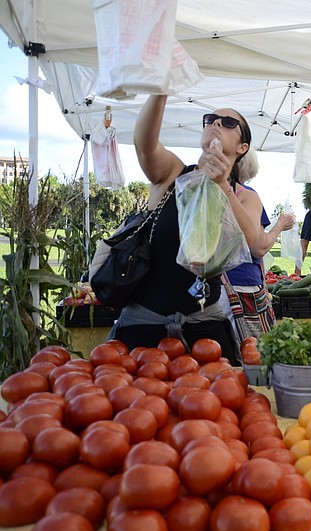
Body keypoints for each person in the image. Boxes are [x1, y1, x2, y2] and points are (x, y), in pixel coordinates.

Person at [112, 94, 265, 363]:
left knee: (215, 399)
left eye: (228, 122)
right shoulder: (174, 173)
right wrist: (161, 91)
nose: (216, 123)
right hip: (145, 321)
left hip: (205, 326)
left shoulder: (244, 196)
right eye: (210, 120)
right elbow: (145, 146)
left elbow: (254, 243)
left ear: (242, 147)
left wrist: (223, 186)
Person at [219, 148, 296, 341]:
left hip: (210, 285)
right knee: (248, 351)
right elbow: (259, 247)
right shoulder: (247, 195)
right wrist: (279, 226)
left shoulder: (206, 193)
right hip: (240, 285)